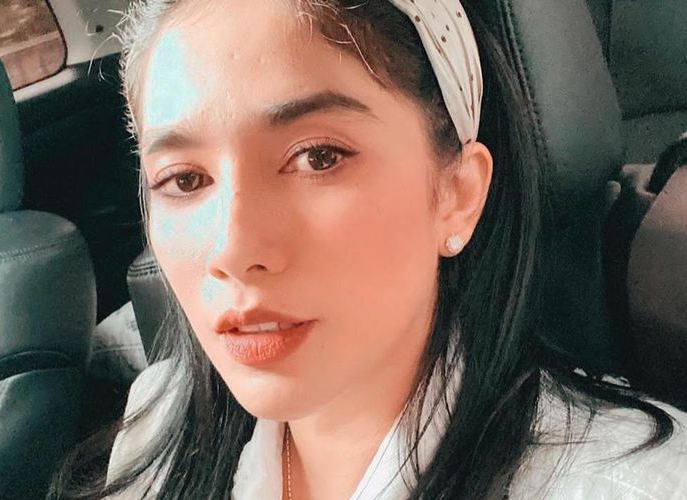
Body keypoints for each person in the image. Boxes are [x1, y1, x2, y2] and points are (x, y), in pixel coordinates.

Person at [49, 0, 687, 499]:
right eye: (185, 180)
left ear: (458, 194)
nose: (232, 249)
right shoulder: (156, 425)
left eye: (318, 157)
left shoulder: (638, 487)